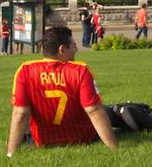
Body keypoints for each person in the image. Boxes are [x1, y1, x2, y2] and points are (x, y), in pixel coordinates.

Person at [6, 26, 119, 156]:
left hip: (43, 140)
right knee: (107, 111)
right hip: (81, 137)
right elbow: (93, 110)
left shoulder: (25, 70)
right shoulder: (80, 70)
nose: (76, 49)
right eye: (73, 45)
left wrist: (10, 153)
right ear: (62, 50)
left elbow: (20, 114)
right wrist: (114, 148)